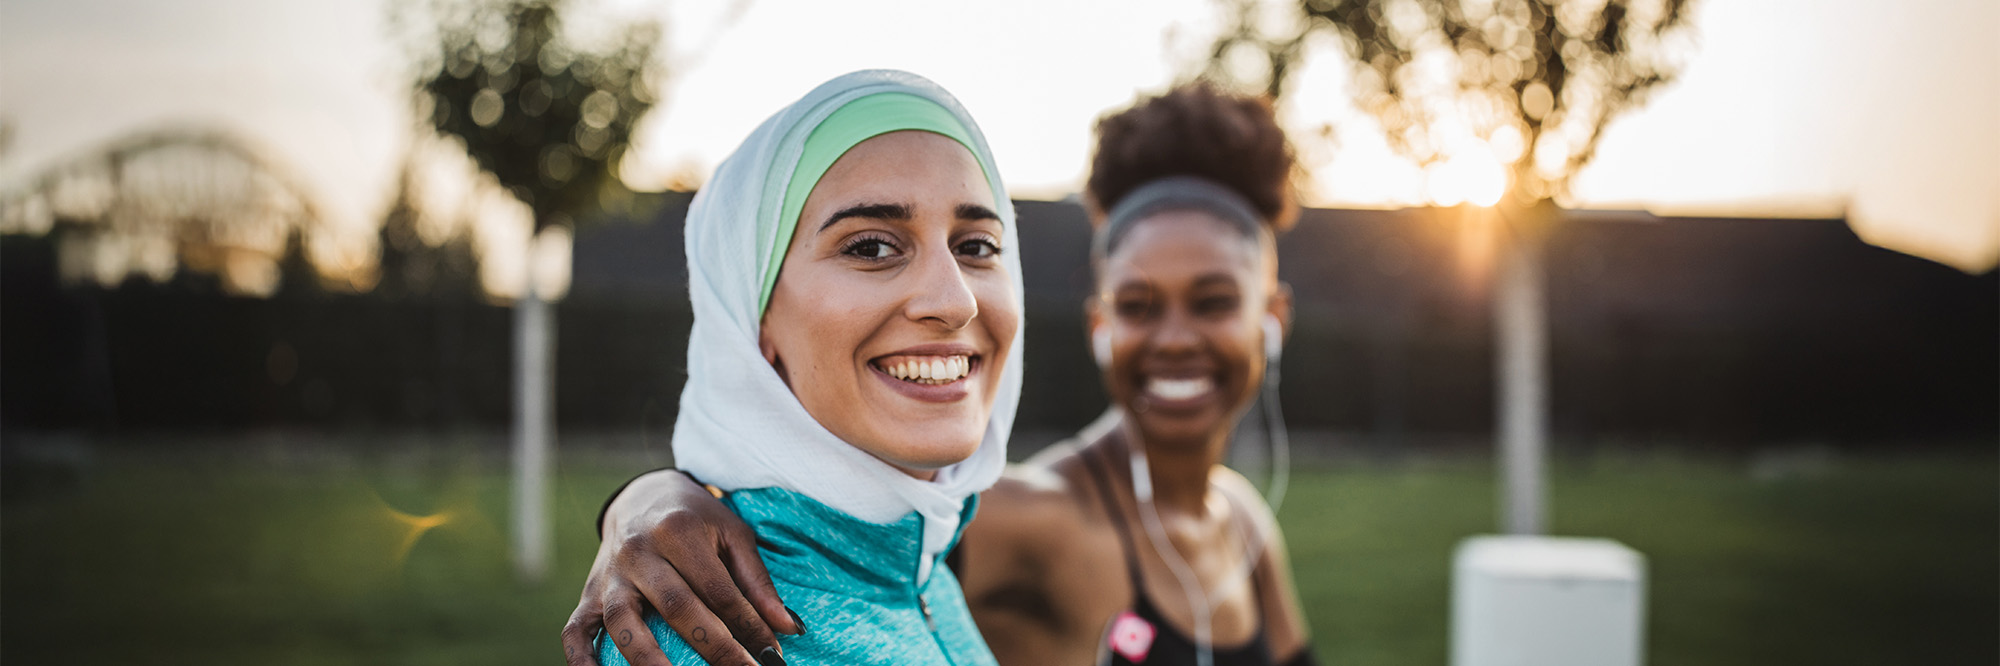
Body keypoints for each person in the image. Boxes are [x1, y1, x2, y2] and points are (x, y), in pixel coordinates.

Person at [568, 83, 1318, 666]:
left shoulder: (1245, 523)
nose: (1177, 340)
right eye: (871, 246)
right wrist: (648, 503)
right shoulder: (1025, 514)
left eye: (978, 246)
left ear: (1275, 316)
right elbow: (813, 531)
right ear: (1098, 323)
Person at [574, 69, 1026, 666]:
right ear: (751, 316)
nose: (955, 302)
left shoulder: (922, 569)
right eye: (871, 246)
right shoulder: (697, 636)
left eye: (977, 247)